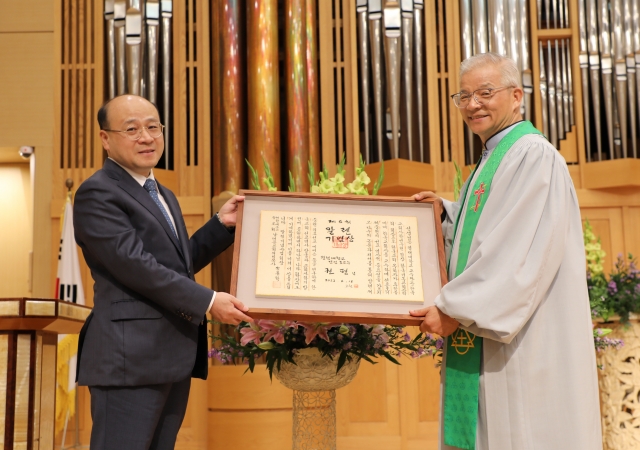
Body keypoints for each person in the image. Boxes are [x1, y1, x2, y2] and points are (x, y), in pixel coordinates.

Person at [410, 53, 602, 450]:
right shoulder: (493, 158)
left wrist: (455, 308)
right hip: (492, 342)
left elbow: (516, 251)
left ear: (516, 96)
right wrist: (445, 215)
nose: (472, 104)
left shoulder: (532, 155)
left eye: (485, 92)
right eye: (463, 95)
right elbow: (485, 233)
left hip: (522, 346)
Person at [73, 94, 253, 450]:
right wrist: (209, 300)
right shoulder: (97, 192)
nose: (146, 137)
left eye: (153, 127)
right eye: (132, 128)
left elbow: (176, 264)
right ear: (105, 138)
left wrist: (222, 225)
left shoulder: (163, 193)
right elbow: (137, 266)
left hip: (169, 355)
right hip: (129, 361)